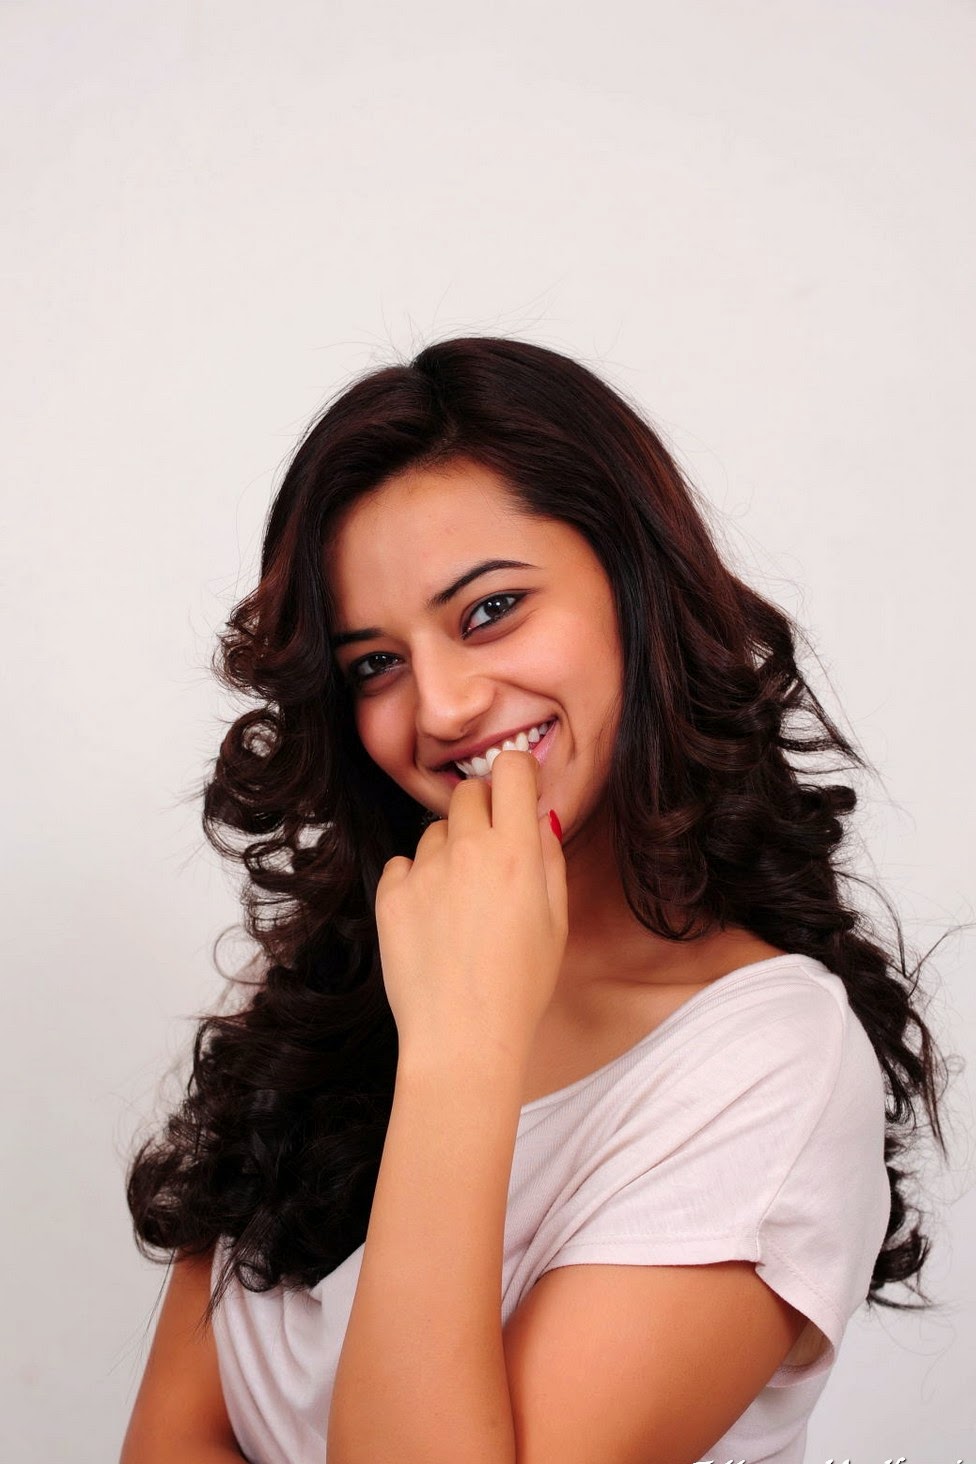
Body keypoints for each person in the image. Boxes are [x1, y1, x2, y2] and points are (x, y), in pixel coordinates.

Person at [120, 336, 950, 1464]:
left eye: (489, 610)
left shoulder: (772, 1060)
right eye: (374, 665)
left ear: (636, 588)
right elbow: (168, 1442)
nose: (443, 708)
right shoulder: (337, 978)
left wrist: (460, 1045)